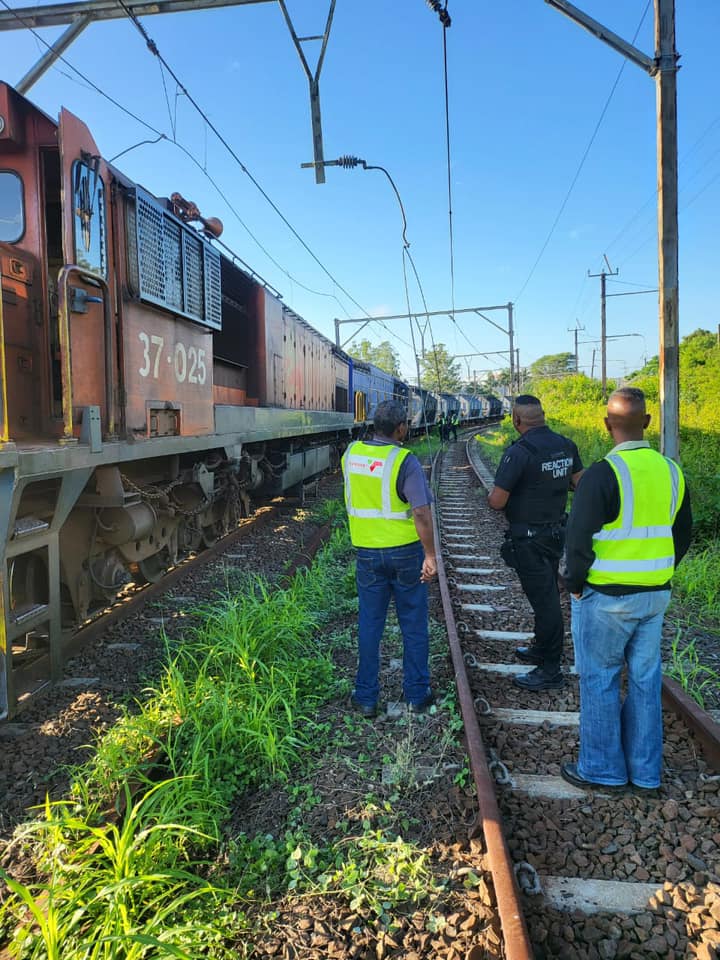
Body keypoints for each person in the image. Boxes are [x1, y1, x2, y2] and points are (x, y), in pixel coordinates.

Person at [560, 387, 692, 792]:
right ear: (648, 423)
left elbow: (578, 541)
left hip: (607, 598)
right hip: (654, 595)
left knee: (599, 679)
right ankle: (646, 773)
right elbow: (682, 534)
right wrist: (657, 573)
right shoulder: (672, 471)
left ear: (606, 426)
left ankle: (602, 770)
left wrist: (575, 586)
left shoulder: (602, 473)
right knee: (645, 681)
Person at [342, 400, 438, 718]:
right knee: (412, 624)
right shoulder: (403, 460)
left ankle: (366, 697)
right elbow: (421, 511)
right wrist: (430, 554)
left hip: (367, 554)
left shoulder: (351, 455)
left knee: (370, 624)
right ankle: (417, 694)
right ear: (400, 428)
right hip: (406, 553)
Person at [487, 395, 584, 691]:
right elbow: (580, 483)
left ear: (517, 421)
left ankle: (550, 670)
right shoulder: (566, 445)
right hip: (556, 533)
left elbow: (497, 501)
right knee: (546, 596)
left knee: (546, 603)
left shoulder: (519, 452)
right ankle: (542, 648)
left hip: (529, 539)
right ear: (542, 415)